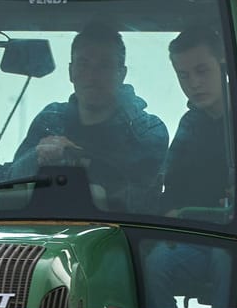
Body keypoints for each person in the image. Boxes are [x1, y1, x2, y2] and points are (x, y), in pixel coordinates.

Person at [13, 28, 167, 206]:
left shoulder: (148, 130)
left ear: (121, 74)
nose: (92, 76)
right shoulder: (50, 120)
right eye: (83, 64)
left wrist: (76, 158)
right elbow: (11, 182)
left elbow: (137, 199)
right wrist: (38, 155)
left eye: (104, 65)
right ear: (71, 72)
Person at [159, 29, 233, 213]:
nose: (194, 83)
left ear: (223, 65)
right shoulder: (190, 123)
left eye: (202, 71)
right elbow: (171, 189)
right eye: (184, 75)